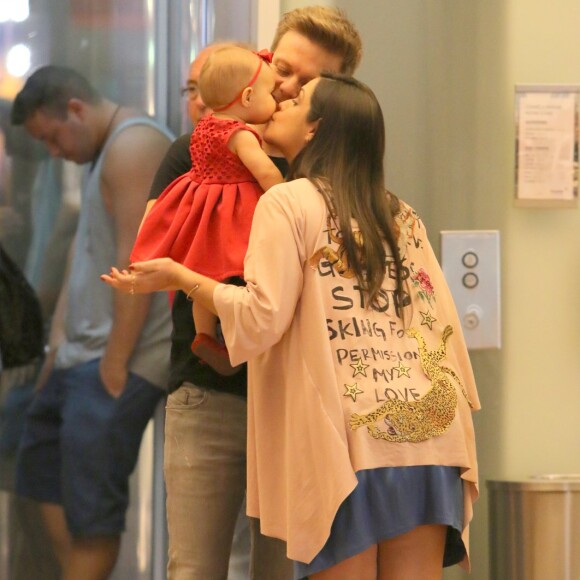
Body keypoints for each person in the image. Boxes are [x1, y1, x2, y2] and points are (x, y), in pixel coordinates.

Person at [104, 73, 480, 580]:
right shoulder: (399, 213)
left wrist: (181, 277)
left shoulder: (287, 201)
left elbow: (261, 318)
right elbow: (442, 326)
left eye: (298, 98)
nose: (282, 99)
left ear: (314, 130)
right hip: (430, 431)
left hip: (347, 438)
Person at [122, 6, 362, 580]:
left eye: (306, 83)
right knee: (194, 567)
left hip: (295, 404)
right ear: (262, 59)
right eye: (281, 69)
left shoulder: (329, 169)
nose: (285, 87)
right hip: (206, 393)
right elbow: (158, 245)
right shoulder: (196, 148)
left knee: (280, 571)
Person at [11, 65, 174, 580]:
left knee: (91, 515)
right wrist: (56, 349)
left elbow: (134, 260)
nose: (54, 151)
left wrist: (117, 365)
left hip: (115, 360)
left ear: (76, 110)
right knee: (38, 478)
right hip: (79, 357)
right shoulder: (100, 154)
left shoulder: (133, 146)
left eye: (53, 137)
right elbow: (87, 259)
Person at [131, 45, 283, 374]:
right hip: (232, 209)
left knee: (202, 276)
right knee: (231, 278)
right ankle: (229, 337)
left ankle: (203, 334)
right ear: (246, 97)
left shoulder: (202, 130)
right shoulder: (240, 134)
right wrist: (283, 194)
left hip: (201, 210)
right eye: (271, 93)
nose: (277, 102)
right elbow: (265, 172)